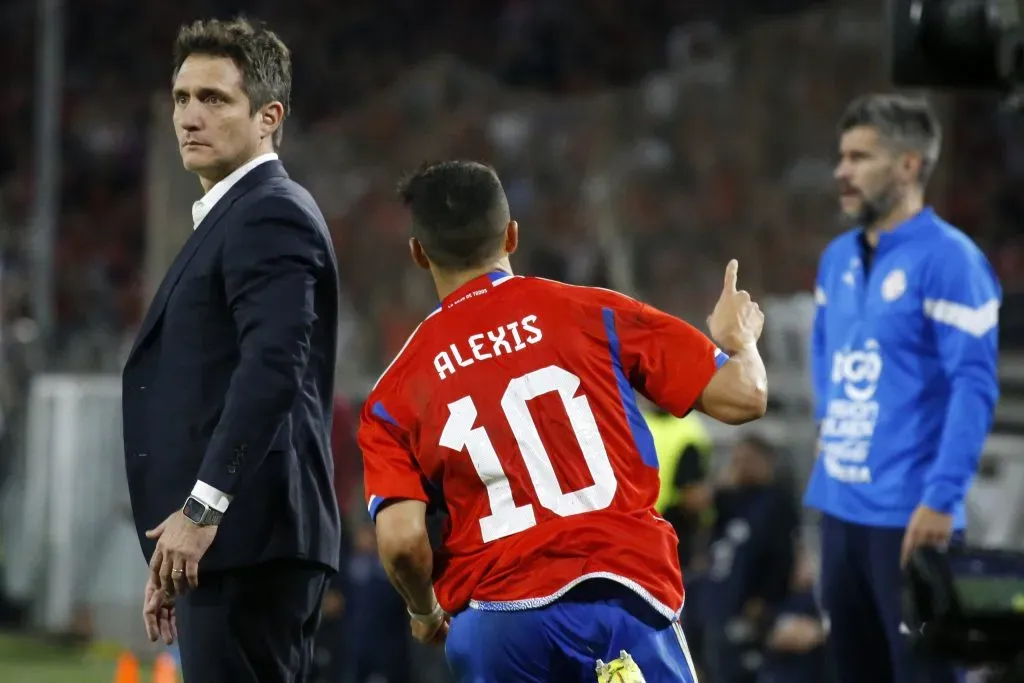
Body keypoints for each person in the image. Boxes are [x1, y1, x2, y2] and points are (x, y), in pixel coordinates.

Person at [357, 160, 768, 683]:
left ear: (418, 253)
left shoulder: (393, 393)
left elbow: (401, 543)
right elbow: (745, 397)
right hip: (621, 599)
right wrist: (741, 342)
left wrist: (424, 611)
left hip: (497, 625)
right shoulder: (593, 312)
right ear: (511, 235)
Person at [121, 16, 341, 683]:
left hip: (249, 541)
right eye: (182, 98)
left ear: (268, 116)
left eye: (214, 99)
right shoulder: (235, 214)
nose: (190, 116)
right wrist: (177, 549)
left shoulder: (268, 212)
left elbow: (272, 369)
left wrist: (200, 511)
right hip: (226, 547)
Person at [804, 93, 1001, 683]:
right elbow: (823, 347)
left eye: (860, 157)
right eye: (841, 157)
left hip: (910, 515)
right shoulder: (836, 257)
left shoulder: (952, 261)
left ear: (909, 165)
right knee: (852, 671)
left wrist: (942, 496)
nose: (842, 171)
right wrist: (825, 424)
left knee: (924, 674)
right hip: (838, 512)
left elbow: (975, 386)